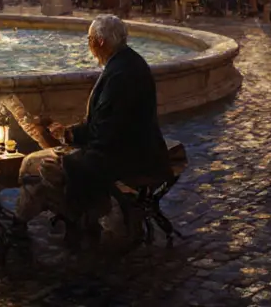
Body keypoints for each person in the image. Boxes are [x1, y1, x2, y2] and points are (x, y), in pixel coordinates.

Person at [14, 15, 170, 245]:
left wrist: (71, 139)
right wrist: (70, 133)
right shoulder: (129, 63)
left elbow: (106, 131)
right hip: (135, 147)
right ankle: (59, 218)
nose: (89, 45)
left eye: (89, 40)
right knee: (47, 168)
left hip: (123, 156)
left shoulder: (119, 75)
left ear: (100, 42)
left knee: (35, 165)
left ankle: (74, 217)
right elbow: (108, 122)